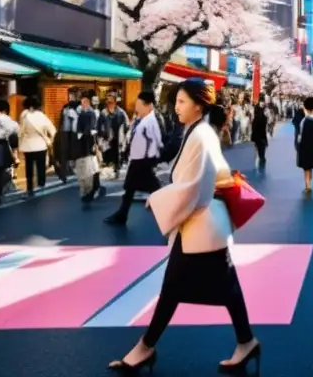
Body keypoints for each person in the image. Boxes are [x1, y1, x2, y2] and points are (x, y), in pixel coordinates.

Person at [109, 79, 259, 374]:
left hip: (200, 227)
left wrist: (158, 197)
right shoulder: (199, 132)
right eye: (175, 101)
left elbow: (192, 189)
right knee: (217, 289)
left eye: (181, 102)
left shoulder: (200, 136)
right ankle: (246, 341)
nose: (175, 107)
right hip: (203, 229)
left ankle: (145, 348)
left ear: (199, 106)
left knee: (179, 288)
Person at [105, 90, 165, 227]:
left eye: (139, 104)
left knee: (155, 190)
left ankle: (171, 215)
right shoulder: (141, 118)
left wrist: (154, 159)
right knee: (131, 189)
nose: (137, 107)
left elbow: (158, 140)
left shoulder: (154, 120)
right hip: (138, 159)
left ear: (148, 105)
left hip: (145, 160)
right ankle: (122, 214)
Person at [18, 96, 55, 197]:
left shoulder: (24, 115)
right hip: (41, 145)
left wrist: (18, 143)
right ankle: (41, 185)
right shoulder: (42, 116)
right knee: (41, 167)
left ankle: (30, 188)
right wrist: (51, 140)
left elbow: (21, 131)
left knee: (29, 168)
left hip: (28, 145)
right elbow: (52, 129)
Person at [74, 90, 103, 204]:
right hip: (89, 140)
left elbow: (89, 128)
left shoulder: (89, 113)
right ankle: (94, 186)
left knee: (90, 164)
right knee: (92, 164)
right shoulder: (87, 112)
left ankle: (91, 189)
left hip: (89, 141)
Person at [99, 93, 130, 176]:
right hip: (107, 139)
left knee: (117, 157)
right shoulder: (103, 113)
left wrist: (125, 139)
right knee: (107, 157)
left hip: (118, 139)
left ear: (115, 102)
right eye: (108, 102)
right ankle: (111, 170)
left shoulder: (121, 113)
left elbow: (127, 126)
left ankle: (116, 170)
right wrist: (100, 137)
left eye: (111, 102)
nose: (109, 103)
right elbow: (99, 126)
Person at [251, 95, 270, 167]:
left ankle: (261, 157)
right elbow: (268, 119)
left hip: (257, 130)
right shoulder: (264, 109)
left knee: (259, 145)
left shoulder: (257, 108)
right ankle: (262, 157)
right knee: (261, 145)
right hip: (261, 130)